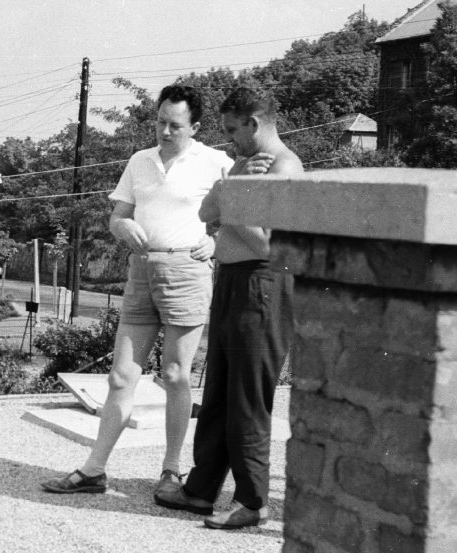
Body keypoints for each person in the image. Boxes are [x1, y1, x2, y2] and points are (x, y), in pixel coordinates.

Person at [42, 85, 233, 497]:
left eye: (175, 125)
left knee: (176, 375)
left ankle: (171, 471)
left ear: (195, 127)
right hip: (142, 271)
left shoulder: (216, 162)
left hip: (187, 272)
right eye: (160, 122)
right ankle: (94, 470)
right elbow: (117, 217)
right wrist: (123, 225)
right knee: (121, 376)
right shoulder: (139, 161)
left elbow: (246, 214)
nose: (165, 131)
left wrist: (217, 242)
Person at [154, 86, 303, 529]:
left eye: (234, 130)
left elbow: (272, 246)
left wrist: (231, 199)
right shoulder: (243, 164)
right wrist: (228, 185)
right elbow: (205, 213)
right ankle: (201, 490)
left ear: (254, 124)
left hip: (264, 284)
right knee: (218, 392)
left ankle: (253, 501)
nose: (230, 139)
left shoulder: (284, 167)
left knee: (247, 398)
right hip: (233, 280)